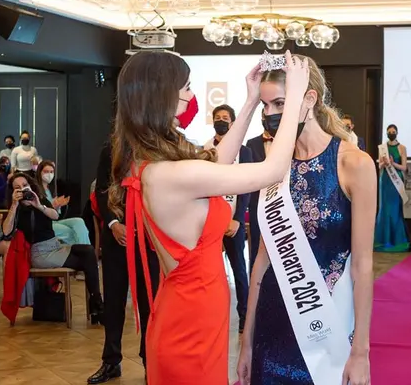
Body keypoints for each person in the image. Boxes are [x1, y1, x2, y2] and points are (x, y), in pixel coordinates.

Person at [108, 50, 308, 384]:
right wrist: (295, 98)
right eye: (185, 87)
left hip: (192, 311)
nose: (191, 94)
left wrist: (249, 102)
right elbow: (272, 169)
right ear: (162, 94)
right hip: (192, 323)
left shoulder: (154, 166)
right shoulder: (169, 174)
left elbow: (217, 163)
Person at [238, 53, 375, 385]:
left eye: (280, 103)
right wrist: (246, 339)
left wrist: (360, 352)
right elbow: (261, 260)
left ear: (309, 98)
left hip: (328, 322)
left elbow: (363, 265)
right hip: (272, 324)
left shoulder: (354, 164)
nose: (271, 115)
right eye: (265, 107)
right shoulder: (274, 166)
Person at [89, 141, 160, 384]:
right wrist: (113, 224)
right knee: (113, 303)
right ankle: (111, 361)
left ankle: (150, 362)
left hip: (148, 240)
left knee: (149, 304)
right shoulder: (109, 150)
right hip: (116, 238)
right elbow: (100, 191)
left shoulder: (157, 148)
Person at [1, 173, 103, 323]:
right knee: (87, 261)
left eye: (24, 185)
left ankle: (97, 304)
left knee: (88, 250)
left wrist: (39, 206)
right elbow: (6, 231)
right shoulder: (16, 210)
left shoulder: (40, 200)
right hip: (40, 254)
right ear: (13, 192)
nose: (23, 189)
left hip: (55, 246)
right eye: (17, 188)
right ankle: (97, 307)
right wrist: (14, 205)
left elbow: (55, 216)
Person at [204, 103, 253, 332]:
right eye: (217, 117)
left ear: (233, 123)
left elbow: (246, 185)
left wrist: (237, 218)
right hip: (210, 222)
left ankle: (244, 317)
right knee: (208, 273)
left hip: (233, 221)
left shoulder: (244, 152)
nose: (221, 120)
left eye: (225, 117)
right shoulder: (203, 150)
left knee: (239, 271)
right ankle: (210, 318)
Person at [373, 124, 411, 252]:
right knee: (385, 208)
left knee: (395, 209)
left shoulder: (402, 148)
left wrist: (393, 163)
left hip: (396, 180)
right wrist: (384, 162)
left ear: (397, 133)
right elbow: (379, 166)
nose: (391, 133)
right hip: (385, 180)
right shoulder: (382, 148)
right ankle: (384, 239)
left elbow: (404, 167)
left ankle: (397, 240)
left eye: (393, 131)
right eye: (389, 132)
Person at [36, 160, 91, 246]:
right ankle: (84, 252)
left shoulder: (50, 190)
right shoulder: (36, 190)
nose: (49, 174)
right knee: (70, 232)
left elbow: (56, 215)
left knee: (79, 222)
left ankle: (87, 250)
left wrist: (58, 205)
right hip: (45, 224)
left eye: (51, 172)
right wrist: (54, 205)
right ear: (40, 172)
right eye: (46, 172)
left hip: (54, 221)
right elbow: (40, 211)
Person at [245, 109, 271, 273]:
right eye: (264, 115)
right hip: (257, 204)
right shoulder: (252, 143)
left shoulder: (289, 142)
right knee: (256, 247)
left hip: (283, 202)